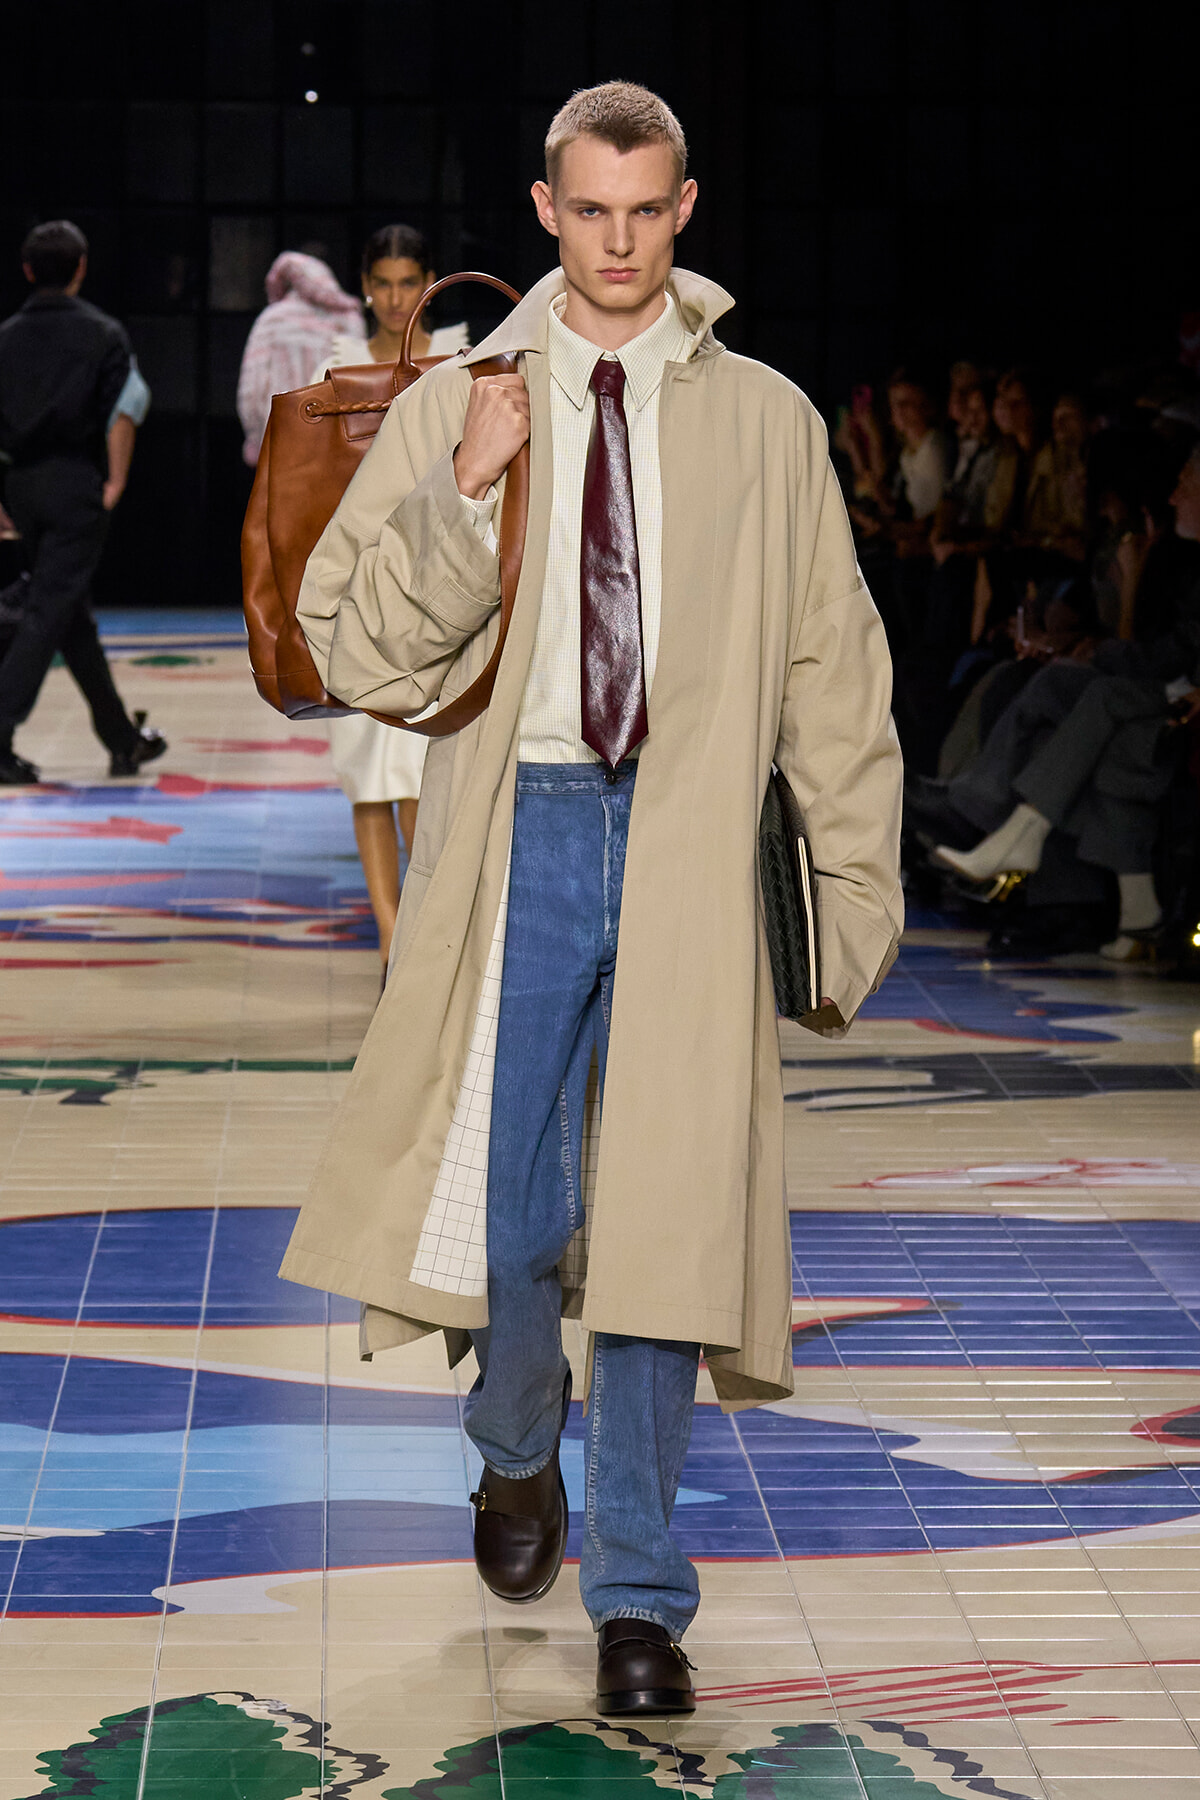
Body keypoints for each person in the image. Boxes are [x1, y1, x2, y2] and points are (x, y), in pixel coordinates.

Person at [278, 82, 903, 1713]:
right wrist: (461, 492)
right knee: (518, 1206)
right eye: (590, 211)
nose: (619, 243)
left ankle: (638, 1597)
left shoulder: (765, 420)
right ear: (546, 211)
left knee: (664, 1226)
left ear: (683, 210)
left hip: (694, 833)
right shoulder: (462, 401)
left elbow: (834, 664)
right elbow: (352, 638)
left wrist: (851, 891)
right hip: (527, 826)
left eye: (647, 211)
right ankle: (512, 1438)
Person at [921, 443, 1200, 955]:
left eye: (1186, 483)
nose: (1175, 493)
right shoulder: (1164, 550)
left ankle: (1023, 834)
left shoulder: (1161, 553)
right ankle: (989, 809)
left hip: (1171, 696)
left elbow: (1169, 650)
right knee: (1050, 689)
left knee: (1104, 714)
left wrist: (1106, 638)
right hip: (1154, 687)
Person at [309, 225, 469, 975]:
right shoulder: (335, 367)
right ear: (365, 285)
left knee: (418, 766)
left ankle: (419, 937)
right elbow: (312, 477)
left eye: (409, 283)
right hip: (355, 580)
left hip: (437, 578)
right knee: (365, 768)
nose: (397, 298)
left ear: (429, 282)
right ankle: (389, 935)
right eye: (383, 283)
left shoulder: (464, 356)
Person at [0, 221, 167, 785]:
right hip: (75, 483)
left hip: (20, 484)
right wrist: (115, 480)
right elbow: (125, 408)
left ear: (28, 270)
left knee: (69, 615)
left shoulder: (5, 338)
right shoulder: (103, 333)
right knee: (49, 611)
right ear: (81, 268)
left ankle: (122, 740)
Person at [236, 250, 365, 467]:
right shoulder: (350, 320)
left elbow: (251, 390)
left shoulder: (271, 320)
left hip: (281, 439)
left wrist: (256, 441)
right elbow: (359, 386)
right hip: (337, 446)